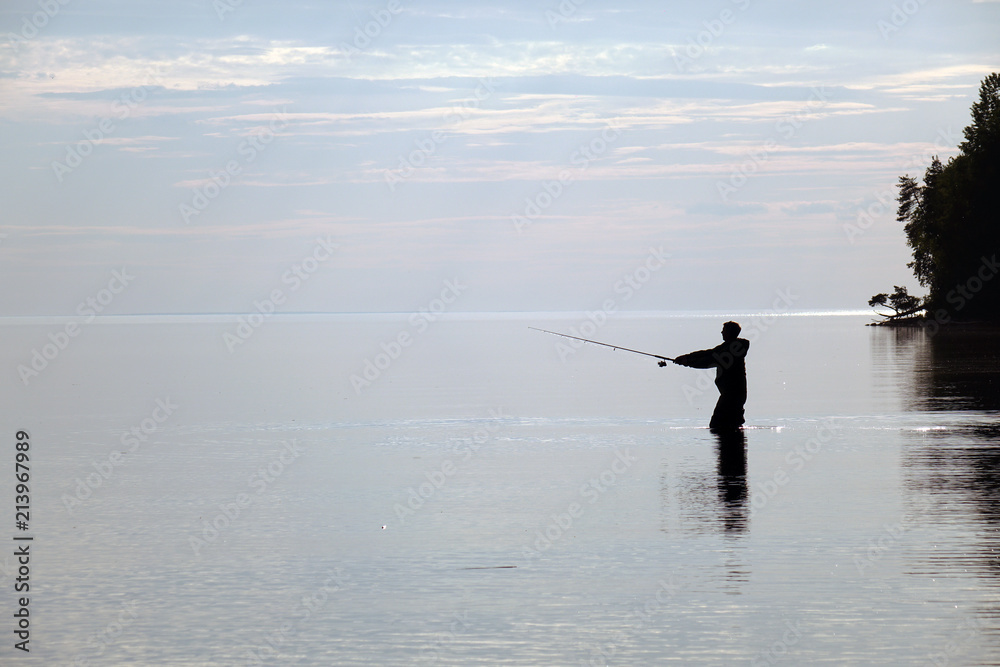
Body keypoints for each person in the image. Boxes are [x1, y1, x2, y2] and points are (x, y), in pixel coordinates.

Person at [664, 321, 749, 430]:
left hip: (732, 394)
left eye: (724, 330)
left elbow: (709, 361)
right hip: (733, 394)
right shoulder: (727, 347)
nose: (721, 332)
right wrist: (687, 357)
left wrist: (687, 362)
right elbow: (708, 353)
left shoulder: (731, 351)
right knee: (731, 425)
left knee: (717, 425)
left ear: (729, 332)